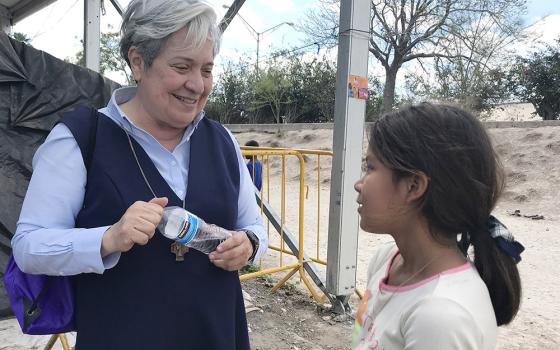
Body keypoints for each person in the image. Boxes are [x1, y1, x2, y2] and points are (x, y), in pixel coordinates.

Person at [11, 1, 267, 349]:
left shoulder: (222, 141)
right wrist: (107, 238)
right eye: (182, 66)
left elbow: (253, 226)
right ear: (138, 62)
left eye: (206, 70)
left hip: (217, 335)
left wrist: (248, 245)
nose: (197, 84)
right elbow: (28, 246)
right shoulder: (82, 139)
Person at [352, 103, 523, 349]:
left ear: (413, 186)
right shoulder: (386, 259)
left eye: (370, 167)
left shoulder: (441, 316)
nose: (359, 184)